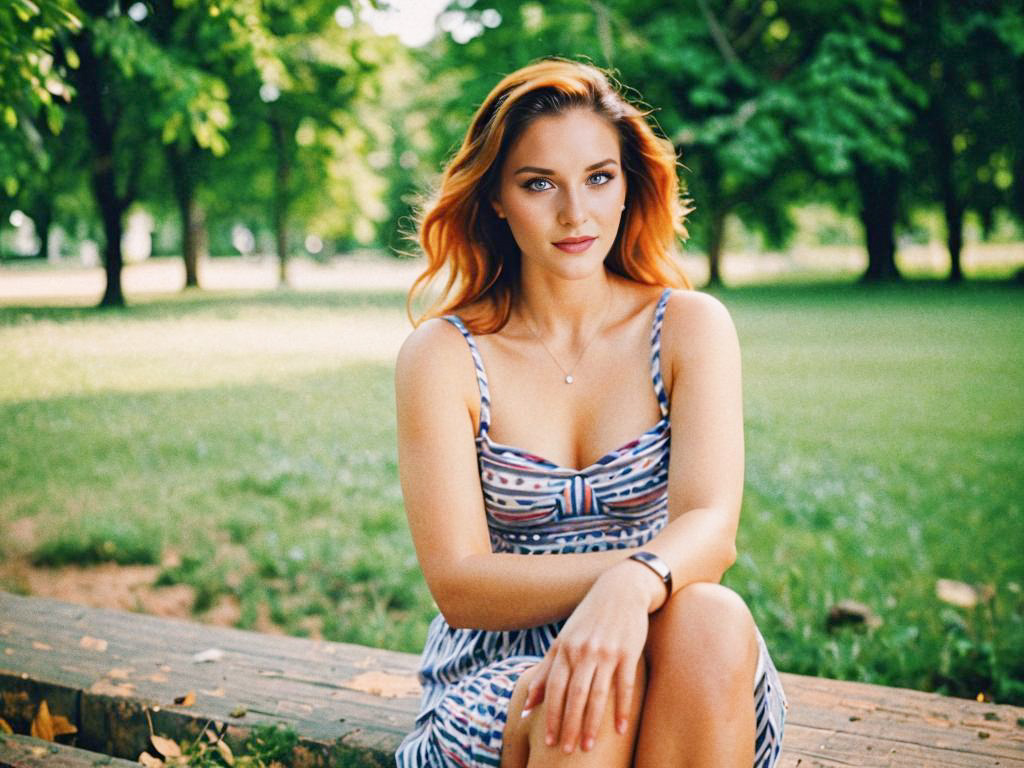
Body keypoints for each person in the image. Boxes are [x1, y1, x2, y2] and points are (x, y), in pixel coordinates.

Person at [393, 58, 787, 768]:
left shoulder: (689, 327)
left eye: (599, 178)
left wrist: (634, 589)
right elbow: (460, 585)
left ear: (629, 186)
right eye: (539, 183)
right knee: (594, 692)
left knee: (713, 616)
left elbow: (712, 529)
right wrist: (622, 581)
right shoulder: (444, 354)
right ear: (496, 201)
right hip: (501, 670)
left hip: (665, 630)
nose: (576, 213)